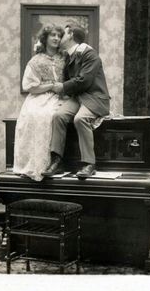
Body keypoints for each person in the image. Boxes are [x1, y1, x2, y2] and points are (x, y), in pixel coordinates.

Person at [42, 23, 110, 179]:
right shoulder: (70, 55)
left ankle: (89, 164)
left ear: (71, 34)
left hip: (95, 98)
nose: (59, 37)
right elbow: (69, 80)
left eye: (63, 34)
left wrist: (62, 87)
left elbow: (84, 81)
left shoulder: (89, 54)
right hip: (78, 98)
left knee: (80, 118)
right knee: (58, 116)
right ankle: (57, 161)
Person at [13, 24, 65, 181]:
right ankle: (35, 165)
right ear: (45, 38)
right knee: (34, 114)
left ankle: (54, 162)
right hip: (40, 97)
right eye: (53, 35)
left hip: (62, 97)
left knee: (51, 115)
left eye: (59, 36)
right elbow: (28, 86)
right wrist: (50, 86)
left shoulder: (65, 58)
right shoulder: (36, 60)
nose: (56, 38)